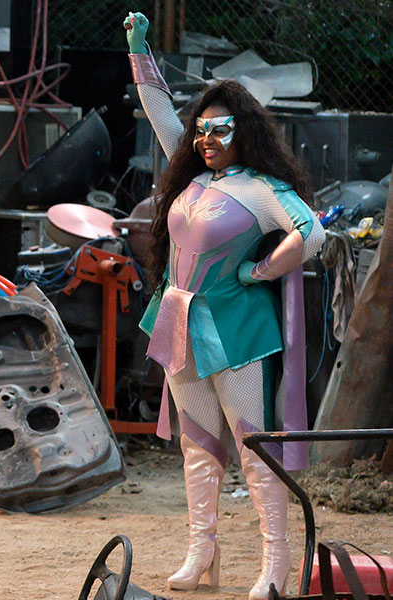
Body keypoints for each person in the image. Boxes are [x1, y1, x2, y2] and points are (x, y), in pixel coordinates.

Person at [124, 12, 326, 600]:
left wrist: (258, 270)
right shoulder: (191, 174)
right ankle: (201, 553)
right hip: (180, 321)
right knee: (198, 447)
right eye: (202, 131)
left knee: (254, 448)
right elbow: (162, 114)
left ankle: (274, 563)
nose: (206, 140)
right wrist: (140, 54)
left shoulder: (262, 188)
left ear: (246, 133)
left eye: (221, 130)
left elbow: (310, 232)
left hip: (236, 328)